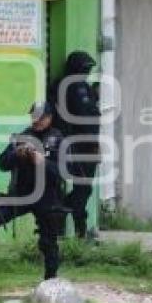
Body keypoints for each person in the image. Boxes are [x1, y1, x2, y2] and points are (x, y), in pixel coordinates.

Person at [0, 102, 68, 279]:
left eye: (41, 117)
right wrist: (17, 155)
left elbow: (65, 171)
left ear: (49, 118)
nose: (37, 120)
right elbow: (2, 163)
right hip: (21, 194)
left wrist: (43, 162)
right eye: (34, 116)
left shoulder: (58, 139)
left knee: (48, 240)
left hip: (47, 196)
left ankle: (50, 280)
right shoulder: (22, 136)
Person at [51, 51, 101, 239]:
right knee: (83, 189)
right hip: (80, 147)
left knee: (82, 189)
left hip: (77, 145)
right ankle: (72, 227)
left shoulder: (72, 85)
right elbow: (85, 119)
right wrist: (92, 144)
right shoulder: (75, 87)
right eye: (85, 69)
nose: (87, 73)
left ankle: (74, 227)